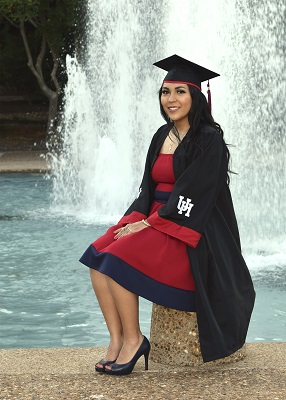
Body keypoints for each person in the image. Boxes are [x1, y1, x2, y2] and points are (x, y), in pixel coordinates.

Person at [79, 54, 255, 376]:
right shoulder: (161, 135)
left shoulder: (208, 139)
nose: (171, 99)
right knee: (97, 256)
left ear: (195, 96)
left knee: (118, 261)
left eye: (180, 92)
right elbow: (147, 187)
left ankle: (135, 340)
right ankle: (117, 340)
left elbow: (193, 196)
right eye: (165, 92)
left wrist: (149, 224)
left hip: (189, 229)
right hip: (155, 218)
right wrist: (132, 220)